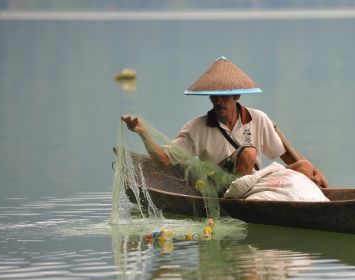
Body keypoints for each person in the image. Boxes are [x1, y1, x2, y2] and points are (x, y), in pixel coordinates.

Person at [121, 56, 328, 189]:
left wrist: (314, 174)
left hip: (255, 183)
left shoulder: (258, 118)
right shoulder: (196, 128)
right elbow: (163, 160)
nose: (218, 101)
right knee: (248, 152)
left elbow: (286, 156)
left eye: (224, 96)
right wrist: (142, 132)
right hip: (222, 190)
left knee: (304, 166)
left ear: (236, 96)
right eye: (214, 96)